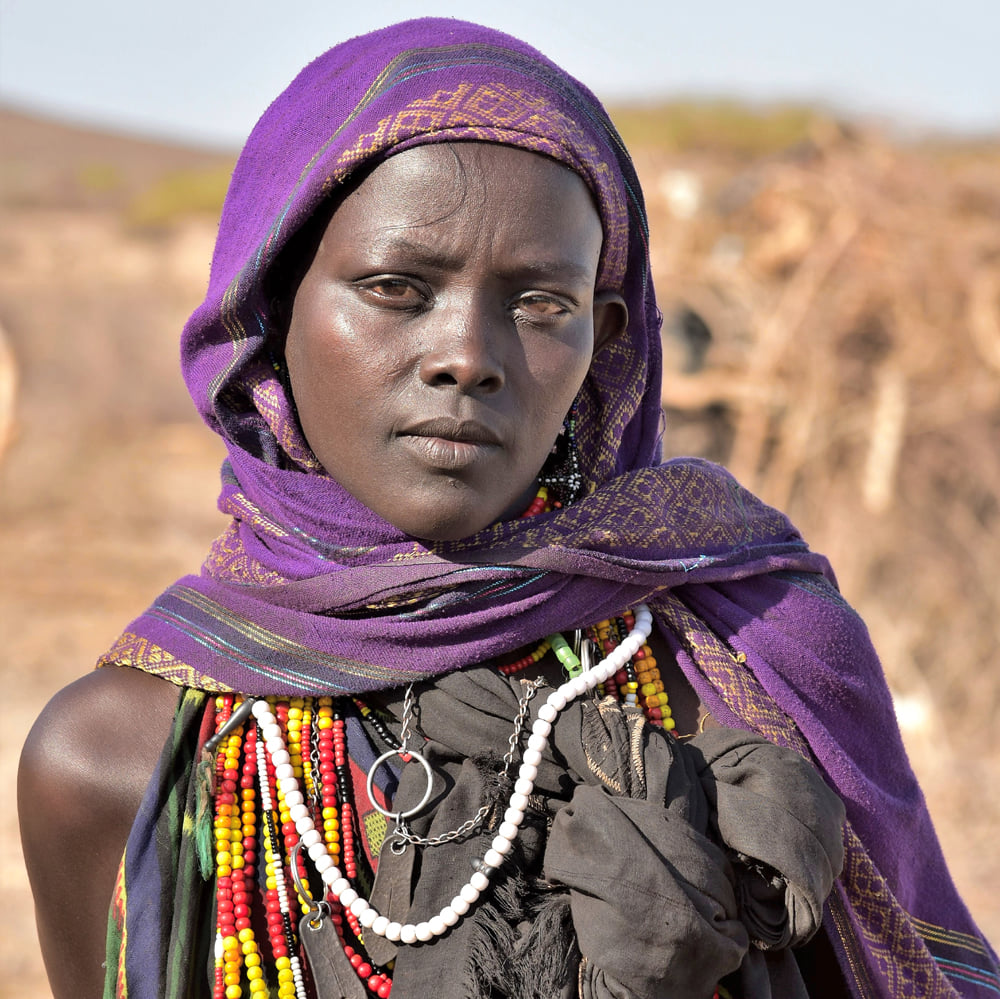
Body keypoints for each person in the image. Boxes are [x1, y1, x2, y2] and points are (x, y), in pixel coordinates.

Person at [18, 17, 998, 999]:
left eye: (539, 305)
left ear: (602, 341)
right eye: (395, 288)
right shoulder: (119, 761)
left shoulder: (754, 657)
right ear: (272, 313)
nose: (467, 357)